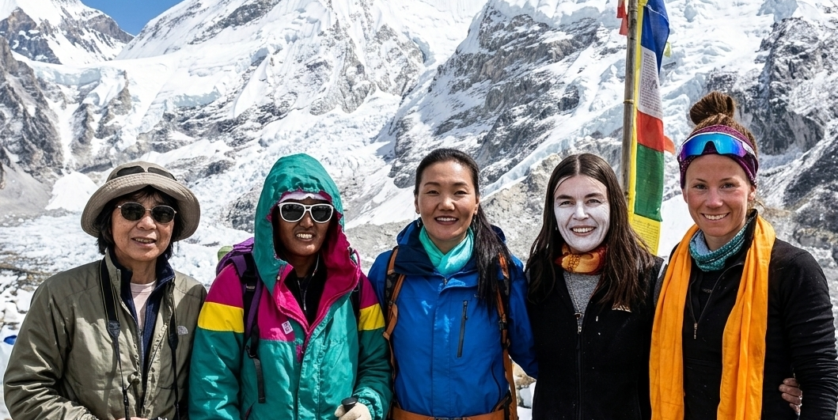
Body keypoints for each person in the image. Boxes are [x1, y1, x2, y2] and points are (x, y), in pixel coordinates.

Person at [650, 91, 838, 419]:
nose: (713, 201)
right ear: (683, 192)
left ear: (751, 188)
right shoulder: (674, 268)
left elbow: (821, 382)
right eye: (699, 186)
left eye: (727, 185)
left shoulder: (792, 269)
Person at [189, 153, 391, 420]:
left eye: (320, 211)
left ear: (333, 220)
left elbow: (376, 366)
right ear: (272, 216)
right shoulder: (236, 283)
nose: (307, 222)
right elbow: (212, 385)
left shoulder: (354, 287)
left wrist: (367, 405)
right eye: (292, 210)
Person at [4, 161, 206, 420]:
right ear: (107, 222)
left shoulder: (194, 297)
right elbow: (26, 389)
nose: (147, 223)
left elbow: (209, 390)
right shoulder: (61, 295)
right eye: (132, 211)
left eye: (162, 213)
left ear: (172, 226)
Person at [367, 148, 537, 420]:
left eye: (459, 192)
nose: (446, 204)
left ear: (477, 201)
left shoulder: (503, 271)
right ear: (415, 201)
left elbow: (537, 355)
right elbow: (367, 358)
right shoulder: (389, 272)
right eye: (433, 192)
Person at [525, 153, 661, 420]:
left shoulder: (650, 278)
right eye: (566, 202)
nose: (579, 214)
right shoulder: (536, 279)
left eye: (593, 200)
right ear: (552, 211)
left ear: (614, 206)